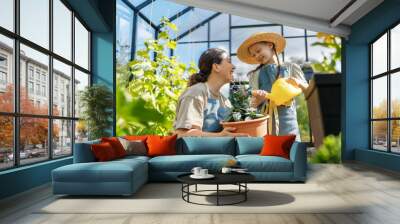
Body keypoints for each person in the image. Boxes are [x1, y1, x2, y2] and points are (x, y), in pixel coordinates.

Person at [237, 32, 309, 141]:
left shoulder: (291, 67)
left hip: (289, 121)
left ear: (270, 45)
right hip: (265, 122)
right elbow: (251, 103)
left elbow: (308, 90)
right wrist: (259, 99)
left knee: (291, 149)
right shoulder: (255, 75)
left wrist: (298, 82)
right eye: (253, 55)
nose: (257, 56)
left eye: (258, 51)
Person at [174, 48, 248, 137]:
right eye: (228, 61)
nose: (233, 66)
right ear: (216, 67)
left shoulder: (225, 101)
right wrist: (220, 136)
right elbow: (182, 134)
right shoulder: (195, 94)